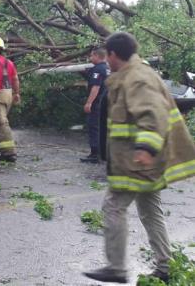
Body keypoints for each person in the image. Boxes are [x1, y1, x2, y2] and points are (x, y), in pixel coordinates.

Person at [83, 32, 195, 284]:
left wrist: (145, 149)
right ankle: (164, 266)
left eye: (107, 55)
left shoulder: (137, 78)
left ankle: (116, 268)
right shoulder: (134, 74)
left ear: (112, 54)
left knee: (112, 206)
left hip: (138, 160)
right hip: (143, 159)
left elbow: (152, 116)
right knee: (149, 210)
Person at [81, 47, 110, 163]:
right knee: (103, 128)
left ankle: (94, 154)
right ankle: (104, 153)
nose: (90, 58)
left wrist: (89, 103)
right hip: (107, 103)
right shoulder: (108, 68)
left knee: (94, 127)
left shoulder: (97, 69)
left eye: (92, 56)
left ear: (97, 56)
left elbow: (96, 87)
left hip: (97, 103)